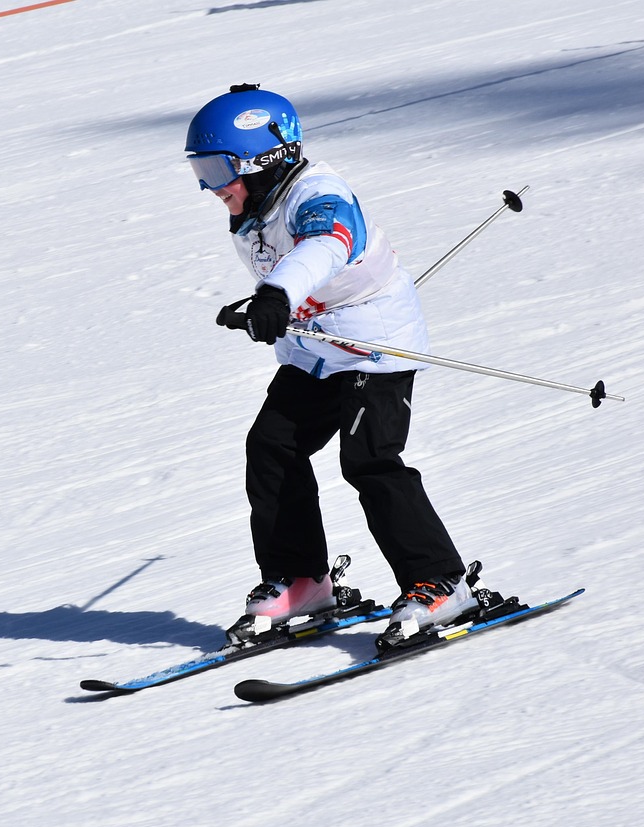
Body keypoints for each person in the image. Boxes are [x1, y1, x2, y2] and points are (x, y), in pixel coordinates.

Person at [184, 84, 476, 650]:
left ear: (264, 159)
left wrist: (276, 293)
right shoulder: (258, 205)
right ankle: (302, 581)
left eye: (219, 168)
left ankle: (440, 582)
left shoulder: (319, 193)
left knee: (370, 461)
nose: (210, 186)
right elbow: (289, 266)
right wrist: (264, 306)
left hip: (374, 345)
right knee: (272, 447)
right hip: (316, 352)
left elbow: (325, 245)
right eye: (201, 170)